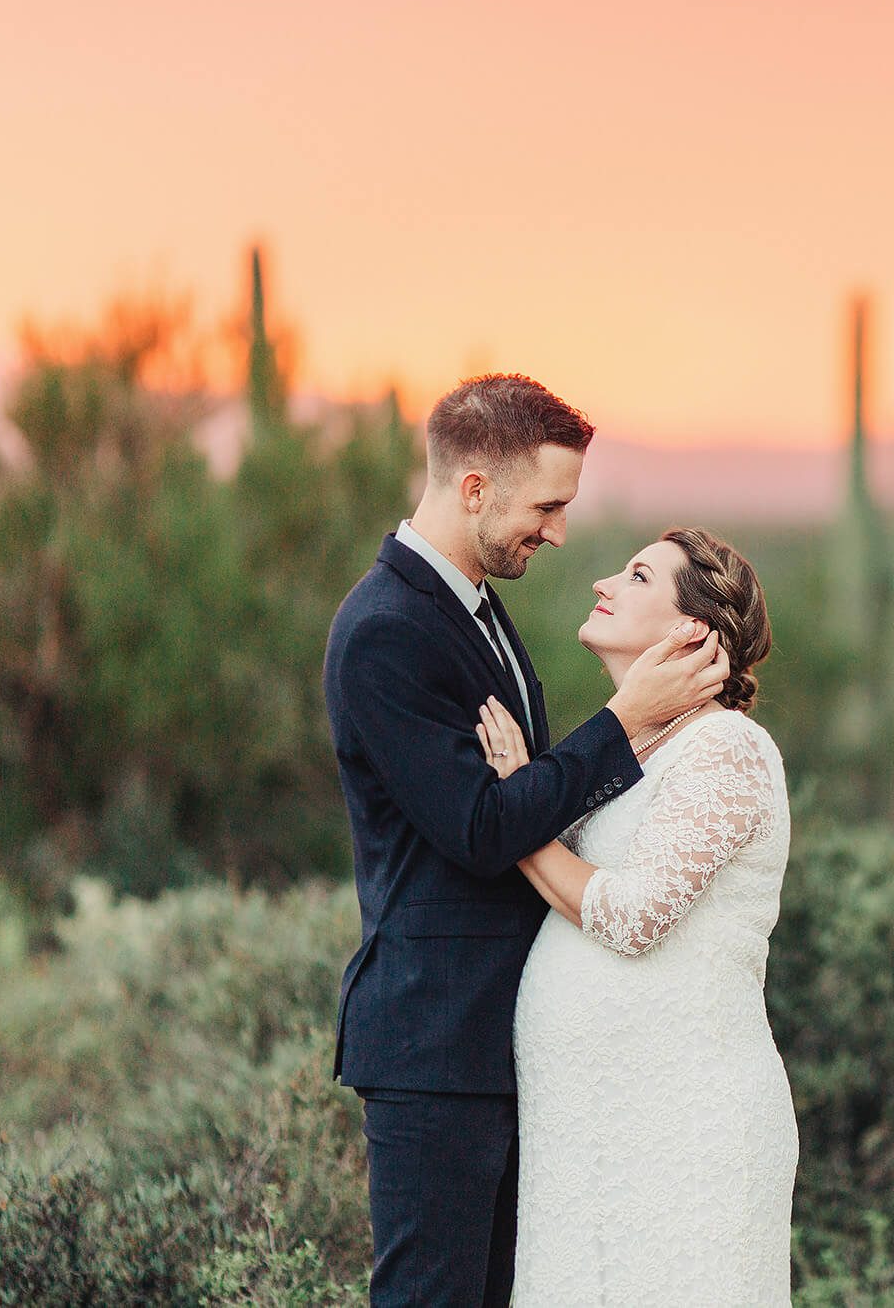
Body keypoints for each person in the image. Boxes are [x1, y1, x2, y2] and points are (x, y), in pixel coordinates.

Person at [321, 374, 729, 1307]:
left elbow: (519, 801)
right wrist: (624, 720)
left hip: (500, 1041)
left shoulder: (476, 610)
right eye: (545, 506)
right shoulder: (386, 630)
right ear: (474, 488)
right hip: (434, 1043)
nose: (554, 530)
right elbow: (478, 829)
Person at [479, 527, 797, 1305]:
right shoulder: (638, 754)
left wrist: (518, 809)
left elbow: (633, 914)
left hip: (685, 1132)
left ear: (691, 629)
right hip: (591, 1136)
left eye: (638, 574)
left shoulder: (726, 747)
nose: (603, 581)